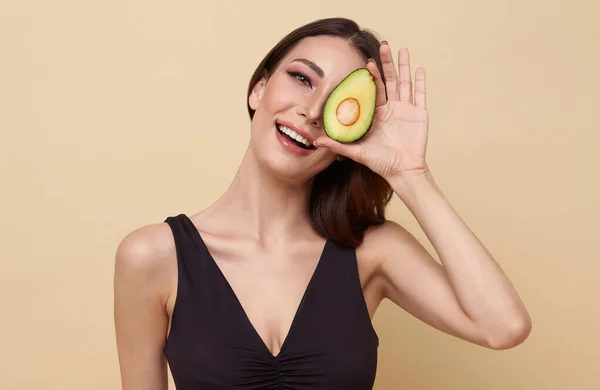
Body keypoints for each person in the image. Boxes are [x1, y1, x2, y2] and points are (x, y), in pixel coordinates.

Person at [113, 17, 532, 390]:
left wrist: (411, 175)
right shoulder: (152, 257)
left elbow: (504, 327)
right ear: (259, 87)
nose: (312, 111)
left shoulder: (372, 252)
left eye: (339, 104)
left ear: (355, 135)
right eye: (302, 78)